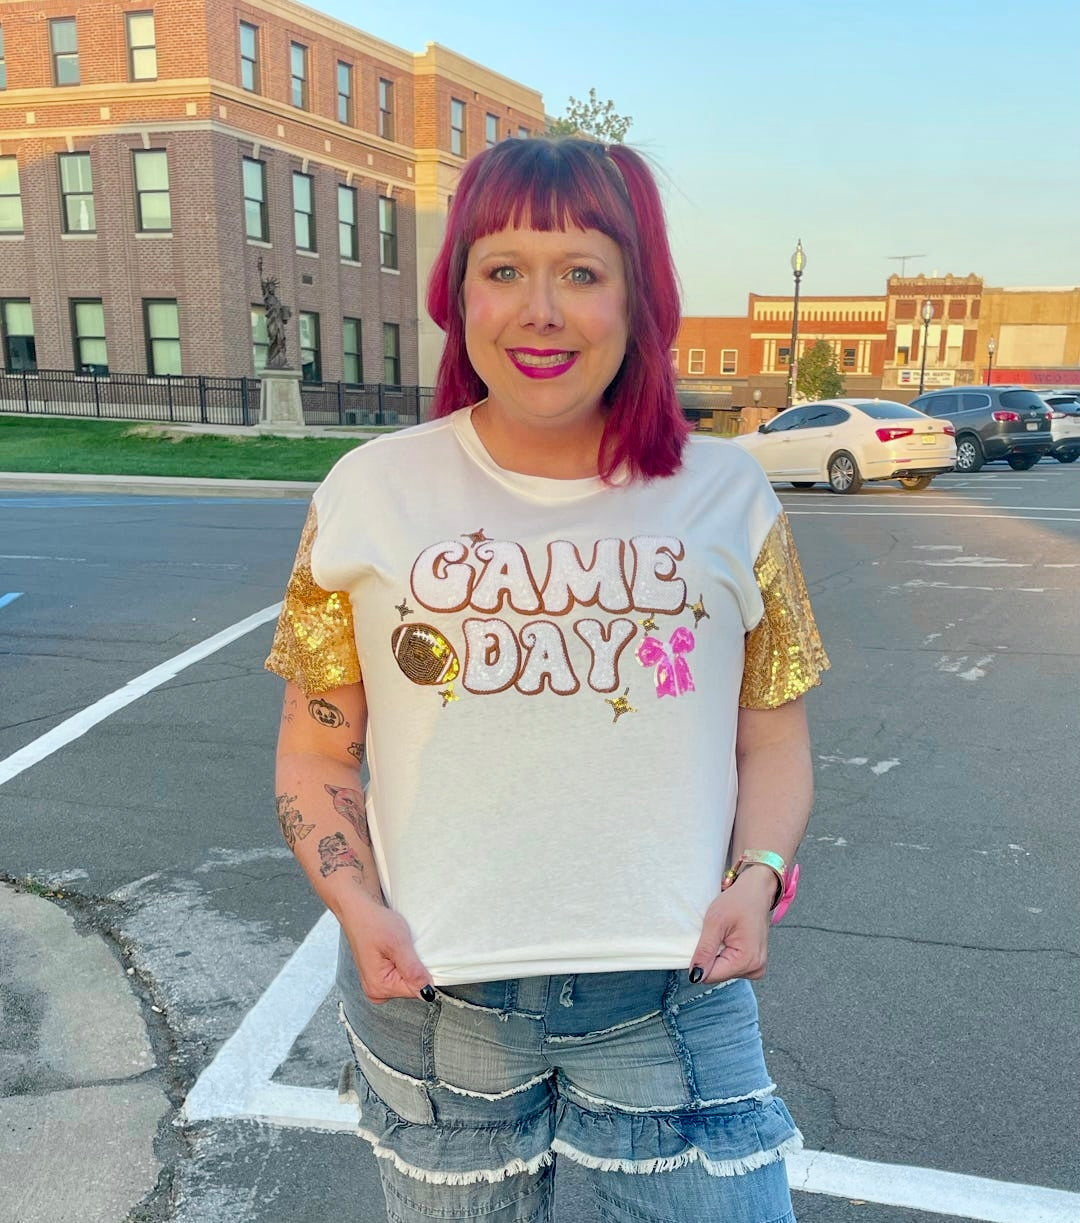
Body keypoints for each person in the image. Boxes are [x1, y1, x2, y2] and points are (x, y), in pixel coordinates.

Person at [265, 136, 828, 1223]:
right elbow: (316, 746)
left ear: (639, 296)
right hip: (435, 1004)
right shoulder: (366, 492)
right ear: (459, 291)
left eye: (581, 270)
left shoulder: (731, 497)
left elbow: (774, 737)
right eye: (502, 267)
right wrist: (352, 898)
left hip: (675, 995)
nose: (539, 310)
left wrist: (757, 874)